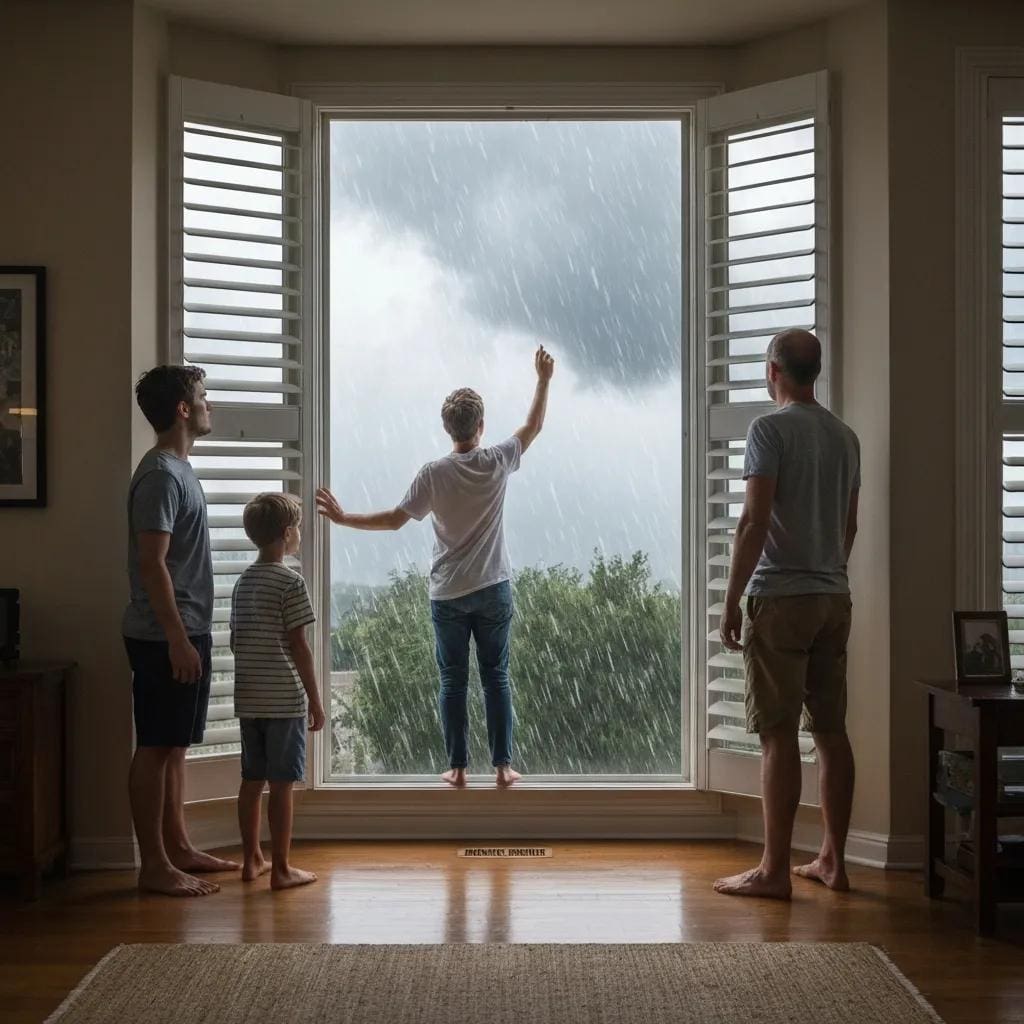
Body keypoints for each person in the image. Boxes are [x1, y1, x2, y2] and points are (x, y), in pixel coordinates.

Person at [316, 345, 555, 788]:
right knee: (496, 677)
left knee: (453, 682)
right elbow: (534, 426)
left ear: (448, 429)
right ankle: (502, 767)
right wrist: (542, 379)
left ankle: (458, 768)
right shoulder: (496, 460)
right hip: (492, 588)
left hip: (448, 593)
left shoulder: (433, 474)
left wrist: (343, 517)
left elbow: (393, 521)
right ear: (480, 427)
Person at [714, 329, 860, 900]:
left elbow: (753, 521)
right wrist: (827, 572)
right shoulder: (845, 438)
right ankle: (833, 860)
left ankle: (774, 870)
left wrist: (731, 599)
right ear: (814, 371)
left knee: (777, 736)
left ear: (772, 370)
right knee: (830, 731)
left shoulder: (768, 430)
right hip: (833, 597)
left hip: (781, 600)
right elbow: (849, 526)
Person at [124, 365, 239, 897]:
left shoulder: (180, 470)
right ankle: (154, 865)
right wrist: (173, 637)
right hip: (161, 635)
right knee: (155, 746)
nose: (210, 404)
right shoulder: (162, 477)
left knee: (174, 747)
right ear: (183, 410)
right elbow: (153, 565)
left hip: (186, 629)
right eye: (203, 397)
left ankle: (179, 847)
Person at [231, 492, 325, 890]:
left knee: (252, 781)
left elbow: (237, 640)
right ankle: (283, 869)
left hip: (249, 698)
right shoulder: (290, 582)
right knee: (282, 785)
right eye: (299, 528)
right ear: (287, 534)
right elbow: (299, 646)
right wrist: (316, 700)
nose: (300, 533)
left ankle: (252, 858)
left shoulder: (242, 582)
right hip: (283, 699)